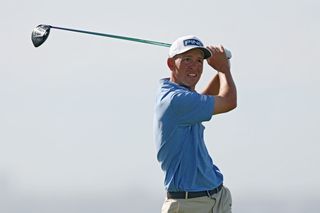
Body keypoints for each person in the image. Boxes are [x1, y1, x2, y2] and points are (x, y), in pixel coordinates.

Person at [154, 35, 237, 213]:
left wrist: (223, 67)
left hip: (216, 199)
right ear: (171, 64)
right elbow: (229, 101)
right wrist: (223, 70)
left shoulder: (181, 97)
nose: (195, 66)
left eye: (200, 60)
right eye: (187, 59)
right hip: (188, 205)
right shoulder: (176, 100)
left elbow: (205, 98)